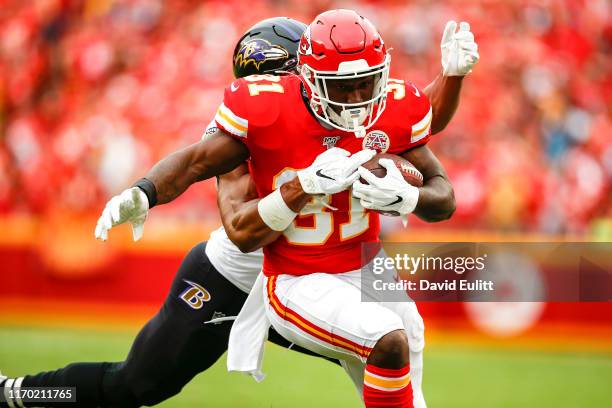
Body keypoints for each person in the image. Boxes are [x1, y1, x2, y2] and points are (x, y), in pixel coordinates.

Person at [0, 12, 479, 408]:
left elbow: (412, 124)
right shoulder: (256, 124)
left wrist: (449, 81)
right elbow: (243, 227)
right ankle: (22, 394)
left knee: (395, 351)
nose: (348, 101)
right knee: (138, 385)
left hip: (336, 268)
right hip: (241, 273)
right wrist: (147, 191)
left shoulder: (348, 101)